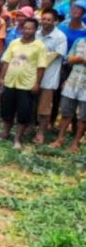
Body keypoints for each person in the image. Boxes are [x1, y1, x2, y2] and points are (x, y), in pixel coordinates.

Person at [0, 17, 48, 150]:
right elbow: (6, 61)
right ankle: (5, 132)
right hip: (10, 82)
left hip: (26, 84)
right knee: (7, 110)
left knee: (23, 113)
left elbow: (41, 67)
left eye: (30, 28)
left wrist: (37, 83)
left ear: (35, 30)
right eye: (25, 28)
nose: (27, 31)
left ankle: (17, 138)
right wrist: (1, 77)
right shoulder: (14, 43)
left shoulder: (40, 46)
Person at [50, 17, 86, 151]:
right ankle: (60, 139)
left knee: (83, 117)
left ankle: (76, 143)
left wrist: (83, 61)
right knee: (66, 112)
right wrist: (74, 59)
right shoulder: (79, 41)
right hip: (72, 82)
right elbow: (68, 58)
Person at [34, 8, 67, 145]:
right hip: (32, 75)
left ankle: (41, 132)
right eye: (44, 19)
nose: (45, 22)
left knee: (44, 108)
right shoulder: (36, 33)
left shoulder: (60, 37)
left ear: (55, 21)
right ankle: (30, 127)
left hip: (48, 78)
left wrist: (37, 58)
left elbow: (53, 56)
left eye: (49, 20)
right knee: (31, 104)